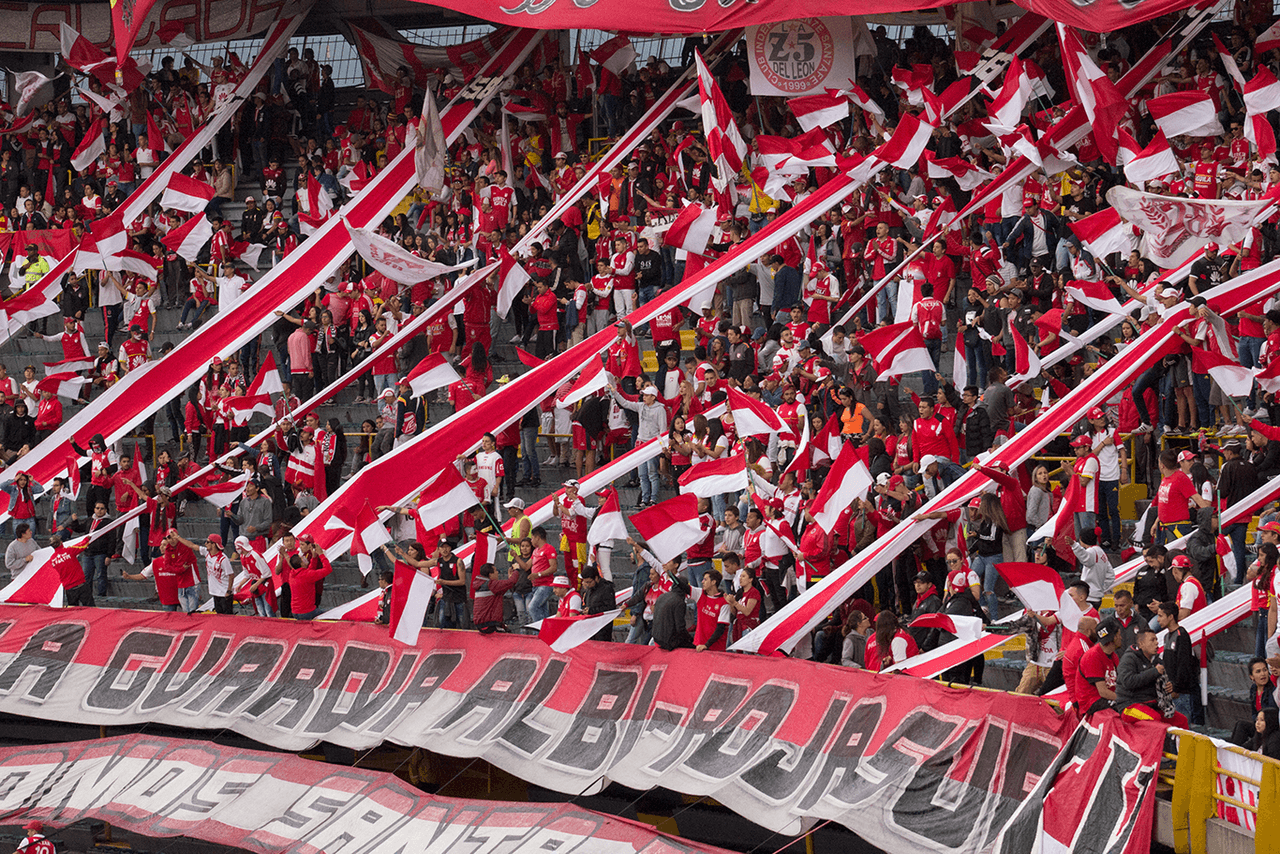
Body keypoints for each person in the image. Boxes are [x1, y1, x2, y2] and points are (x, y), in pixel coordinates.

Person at [1158, 600, 1203, 726]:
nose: (1158, 620)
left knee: (1182, 729)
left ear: (1171, 617)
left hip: (1180, 693)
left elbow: (1184, 665)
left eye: (1161, 616)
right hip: (1169, 691)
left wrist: (1177, 687)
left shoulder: (1181, 635)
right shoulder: (1167, 637)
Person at [1073, 616, 1122, 716]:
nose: (1121, 638)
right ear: (1115, 637)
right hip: (1091, 701)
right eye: (1119, 635)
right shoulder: (1092, 657)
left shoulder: (1113, 655)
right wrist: (1124, 698)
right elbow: (1103, 692)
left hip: (1106, 697)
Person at [651, 565, 693, 651]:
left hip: (656, 637)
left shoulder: (662, 596)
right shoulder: (679, 602)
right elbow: (680, 628)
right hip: (668, 642)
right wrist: (690, 640)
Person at [471, 563, 518, 634]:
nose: (497, 573)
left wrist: (509, 578)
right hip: (489, 624)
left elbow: (505, 587)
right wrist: (517, 570)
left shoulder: (481, 584)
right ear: (490, 574)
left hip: (481, 623)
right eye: (495, 571)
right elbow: (511, 582)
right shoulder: (491, 585)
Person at [694, 568, 731, 651]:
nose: (702, 581)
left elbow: (720, 629)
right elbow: (684, 587)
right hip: (699, 645)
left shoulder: (724, 602)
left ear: (713, 582)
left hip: (716, 649)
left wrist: (706, 645)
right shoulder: (700, 594)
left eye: (705, 579)